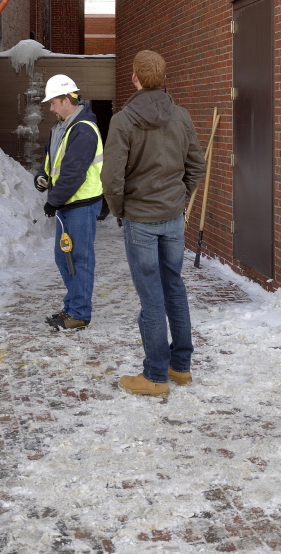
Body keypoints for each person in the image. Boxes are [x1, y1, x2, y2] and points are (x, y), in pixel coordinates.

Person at [101, 50, 206, 397]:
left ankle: (156, 375)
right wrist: (179, 198)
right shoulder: (182, 116)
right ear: (163, 79)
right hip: (172, 218)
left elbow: (112, 177)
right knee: (173, 286)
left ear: (134, 78)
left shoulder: (123, 120)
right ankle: (181, 367)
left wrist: (120, 210)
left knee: (152, 296)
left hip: (142, 220)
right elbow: (196, 166)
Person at [35, 75, 103, 331]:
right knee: (64, 258)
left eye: (53, 102)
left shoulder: (82, 129)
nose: (50, 108)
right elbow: (51, 159)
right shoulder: (61, 127)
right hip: (69, 203)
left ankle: (79, 313)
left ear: (66, 100)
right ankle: (73, 307)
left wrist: (53, 200)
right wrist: (42, 176)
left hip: (81, 204)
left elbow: (74, 173)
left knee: (79, 258)